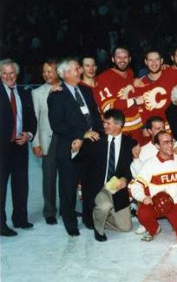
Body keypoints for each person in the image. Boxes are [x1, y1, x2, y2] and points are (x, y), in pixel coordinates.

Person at [48, 58, 102, 236]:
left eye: (79, 68)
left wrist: (100, 136)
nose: (80, 71)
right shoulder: (56, 95)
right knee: (68, 187)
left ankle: (88, 218)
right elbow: (57, 125)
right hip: (70, 148)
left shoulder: (86, 91)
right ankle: (70, 224)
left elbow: (94, 116)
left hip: (91, 147)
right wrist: (81, 134)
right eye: (76, 69)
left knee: (90, 186)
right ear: (65, 74)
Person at [71, 109, 137, 242]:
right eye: (104, 122)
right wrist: (75, 150)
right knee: (104, 205)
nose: (104, 126)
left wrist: (125, 178)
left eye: (108, 123)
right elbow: (79, 160)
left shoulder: (129, 143)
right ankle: (99, 230)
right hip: (98, 187)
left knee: (126, 227)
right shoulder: (95, 139)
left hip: (116, 188)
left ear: (118, 125)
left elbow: (130, 168)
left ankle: (98, 217)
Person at [129, 131, 177, 243]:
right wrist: (143, 197)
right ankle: (154, 228)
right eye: (165, 142)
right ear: (157, 146)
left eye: (171, 141)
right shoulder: (149, 164)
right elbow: (136, 186)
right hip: (158, 204)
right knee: (143, 213)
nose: (170, 145)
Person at [0, 59, 37, 237]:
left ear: (17, 74)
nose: (8, 76)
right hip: (2, 148)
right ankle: (1, 224)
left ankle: (20, 218)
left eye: (12, 73)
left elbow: (31, 119)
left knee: (21, 184)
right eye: (4, 73)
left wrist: (28, 135)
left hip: (20, 146)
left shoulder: (24, 93)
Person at [94, 45, 144, 141]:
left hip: (137, 129)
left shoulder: (130, 72)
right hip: (119, 131)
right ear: (113, 59)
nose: (122, 60)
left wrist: (134, 80)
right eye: (119, 57)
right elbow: (108, 108)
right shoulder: (103, 78)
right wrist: (135, 101)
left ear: (129, 59)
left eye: (125, 57)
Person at [31, 60, 60, 225]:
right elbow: (34, 119)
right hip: (46, 140)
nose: (47, 74)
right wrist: (35, 143)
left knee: (67, 177)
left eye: (50, 71)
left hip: (66, 140)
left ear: (58, 72)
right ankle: (49, 211)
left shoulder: (67, 89)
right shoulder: (37, 93)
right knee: (48, 178)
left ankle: (67, 208)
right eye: (44, 71)